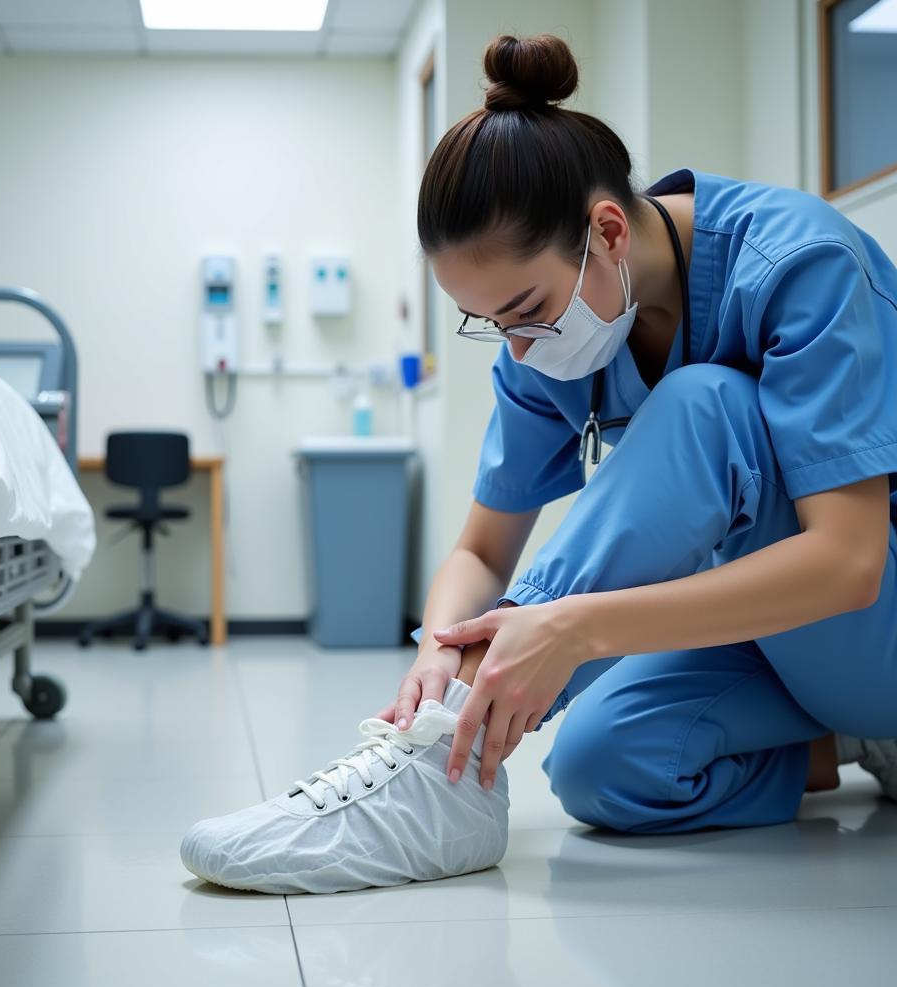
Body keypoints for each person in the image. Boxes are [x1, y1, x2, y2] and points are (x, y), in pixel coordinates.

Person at [181, 32, 897, 895]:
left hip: (870, 615)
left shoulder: (799, 265)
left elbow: (850, 564)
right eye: (490, 324)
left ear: (606, 232)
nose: (519, 351)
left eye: (525, 310)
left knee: (706, 404)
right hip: (807, 659)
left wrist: (575, 628)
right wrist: (438, 653)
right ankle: (860, 743)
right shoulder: (555, 341)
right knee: (602, 765)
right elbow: (483, 552)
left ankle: (443, 766)